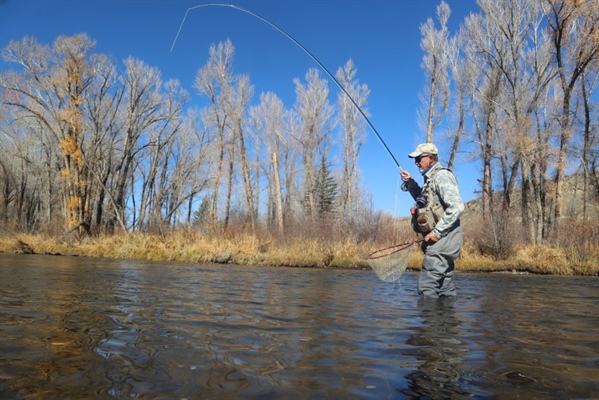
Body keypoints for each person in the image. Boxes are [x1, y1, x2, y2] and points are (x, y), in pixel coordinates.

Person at [400, 143, 464, 297]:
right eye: (415, 159)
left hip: (444, 238)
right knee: (444, 286)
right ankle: (446, 320)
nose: (416, 162)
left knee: (427, 287)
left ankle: (430, 319)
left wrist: (437, 232)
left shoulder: (441, 176)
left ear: (431, 158)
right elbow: (424, 201)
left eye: (419, 158)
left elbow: (457, 207)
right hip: (444, 238)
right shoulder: (430, 179)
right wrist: (410, 183)